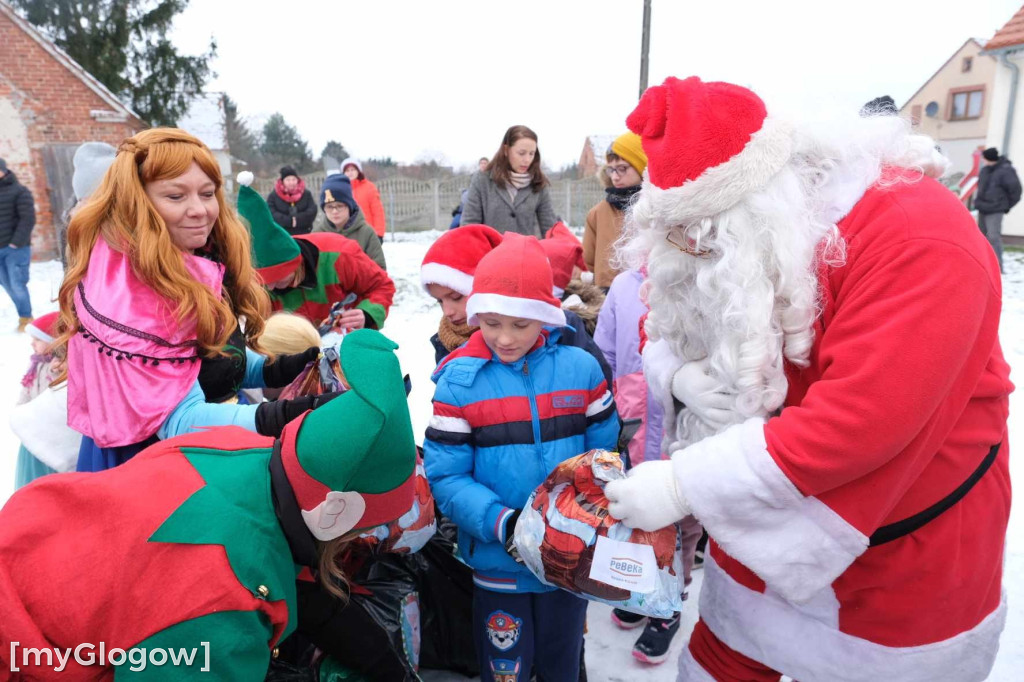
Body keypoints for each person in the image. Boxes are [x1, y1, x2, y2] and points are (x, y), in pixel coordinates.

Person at [603, 76, 1011, 682]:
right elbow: (669, 315)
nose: (692, 248)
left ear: (754, 196)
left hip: (899, 549)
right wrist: (679, 372)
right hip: (758, 528)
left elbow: (865, 419)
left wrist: (686, 484)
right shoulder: (753, 231)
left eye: (701, 230)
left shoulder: (917, 235)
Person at [0, 329, 417, 680]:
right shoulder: (218, 602)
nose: (354, 543)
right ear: (334, 513)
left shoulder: (238, 451)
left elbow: (295, 578)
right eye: (358, 532)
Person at [57, 129, 327, 473]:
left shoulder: (191, 263)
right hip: (150, 471)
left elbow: (201, 368)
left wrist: (278, 366)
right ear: (135, 202)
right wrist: (289, 414)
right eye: (175, 196)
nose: (200, 210)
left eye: (207, 193)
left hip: (196, 453)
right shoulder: (133, 298)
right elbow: (181, 420)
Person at [424, 233, 619, 682]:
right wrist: (506, 524)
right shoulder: (458, 385)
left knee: (563, 666)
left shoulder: (582, 370)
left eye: (521, 324)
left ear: (546, 319)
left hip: (567, 563)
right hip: (498, 563)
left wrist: (587, 516)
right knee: (505, 671)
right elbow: (447, 477)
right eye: (491, 323)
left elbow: (603, 454)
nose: (505, 338)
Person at [593, 268, 703, 663]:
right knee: (632, 514)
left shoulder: (703, 279)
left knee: (681, 525)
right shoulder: (624, 285)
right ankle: (640, 592)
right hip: (633, 421)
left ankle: (669, 605)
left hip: (683, 428)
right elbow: (605, 350)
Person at [421, 224, 612, 388]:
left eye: (455, 296)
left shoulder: (556, 328)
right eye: (439, 301)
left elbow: (598, 389)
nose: (448, 312)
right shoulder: (447, 342)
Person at [239, 173, 395, 331]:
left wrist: (367, 314)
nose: (270, 287)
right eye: (264, 282)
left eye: (277, 278)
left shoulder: (340, 254)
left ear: (294, 264)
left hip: (346, 340)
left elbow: (382, 285)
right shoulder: (260, 287)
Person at [10, 312, 80, 487]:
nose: (32, 343)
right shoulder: (36, 363)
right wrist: (22, 409)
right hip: (35, 421)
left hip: (51, 426)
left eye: (38, 339)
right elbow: (27, 388)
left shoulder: (58, 366)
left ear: (54, 341)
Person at [460, 125, 557, 236]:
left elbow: (550, 229)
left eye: (531, 154)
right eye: (521, 153)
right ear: (506, 150)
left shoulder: (538, 184)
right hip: (491, 252)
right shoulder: (482, 180)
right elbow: (468, 227)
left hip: (526, 252)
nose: (527, 160)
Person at [583, 132, 647, 289]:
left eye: (622, 168)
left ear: (642, 168)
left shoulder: (656, 209)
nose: (615, 177)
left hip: (649, 295)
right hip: (607, 293)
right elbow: (589, 260)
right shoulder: (597, 213)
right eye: (611, 170)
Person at [313, 173, 387, 269]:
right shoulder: (316, 235)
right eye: (329, 207)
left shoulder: (366, 233)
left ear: (349, 206)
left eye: (339, 206)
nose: (335, 211)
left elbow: (379, 270)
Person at [0, 157, 35, 331]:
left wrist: (16, 243)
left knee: (17, 284)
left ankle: (26, 318)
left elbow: (28, 219)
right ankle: (23, 315)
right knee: (6, 285)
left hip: (15, 249)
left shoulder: (20, 191)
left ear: (3, 171)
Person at [975, 146, 1020, 272]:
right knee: (981, 237)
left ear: (989, 158)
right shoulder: (984, 170)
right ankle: (982, 264)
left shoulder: (1006, 171)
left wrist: (1006, 206)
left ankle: (998, 267)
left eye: (984, 158)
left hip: (995, 209)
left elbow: (1016, 191)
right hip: (982, 208)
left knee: (993, 237)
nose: (983, 160)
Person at [341, 158, 387, 242]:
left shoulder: (369, 187)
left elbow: (377, 212)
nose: (350, 173)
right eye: (347, 170)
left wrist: (379, 233)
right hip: (347, 235)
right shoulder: (341, 189)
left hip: (367, 233)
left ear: (358, 171)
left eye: (353, 170)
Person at [267, 165, 318, 235]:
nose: (291, 182)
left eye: (293, 179)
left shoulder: (306, 194)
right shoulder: (274, 196)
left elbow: (312, 210)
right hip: (282, 234)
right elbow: (270, 213)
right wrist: (288, 221)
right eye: (288, 180)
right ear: (282, 181)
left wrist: (297, 220)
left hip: (304, 232)